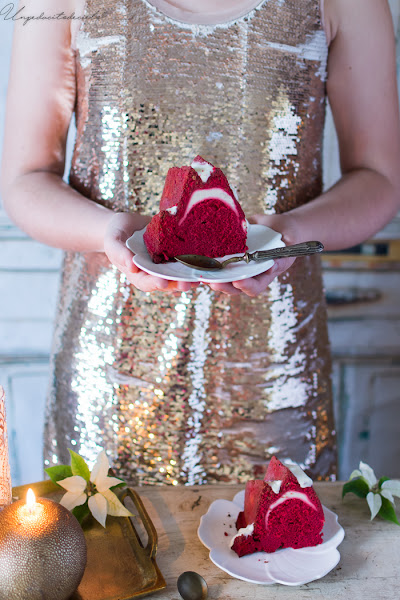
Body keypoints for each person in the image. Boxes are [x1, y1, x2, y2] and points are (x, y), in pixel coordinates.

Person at [1, 0, 400, 484]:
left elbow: (378, 177)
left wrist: (292, 231)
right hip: (109, 371)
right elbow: (25, 178)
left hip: (276, 376)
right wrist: (107, 230)